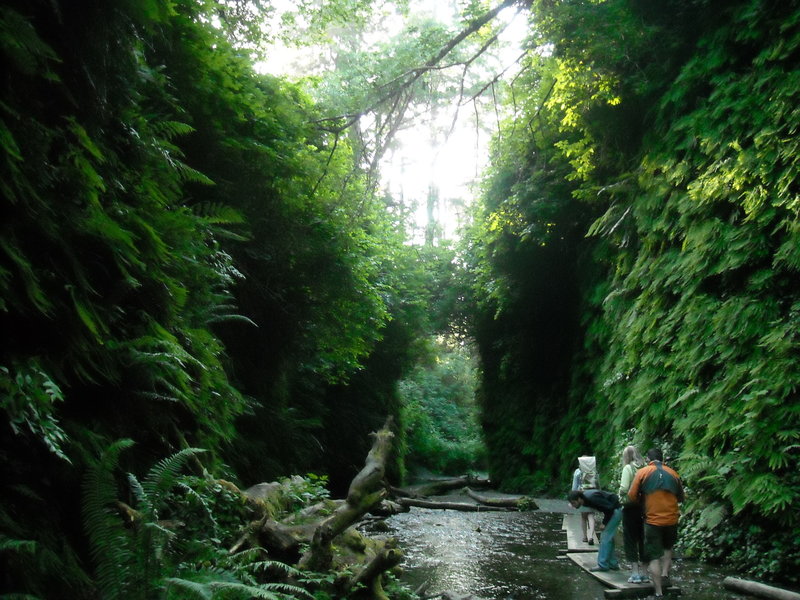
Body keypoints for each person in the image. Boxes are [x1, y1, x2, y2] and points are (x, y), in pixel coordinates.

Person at [627, 448, 685, 597]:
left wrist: (644, 499)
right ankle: (665, 574)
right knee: (667, 548)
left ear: (648, 459)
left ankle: (658, 592)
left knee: (653, 556)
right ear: (663, 459)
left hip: (652, 520)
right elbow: (680, 497)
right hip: (672, 519)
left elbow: (632, 496)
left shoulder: (643, 472)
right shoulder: (673, 473)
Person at [568, 488, 622, 572]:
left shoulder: (592, 498)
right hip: (615, 510)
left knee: (605, 537)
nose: (574, 506)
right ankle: (613, 563)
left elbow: (610, 508)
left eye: (574, 503)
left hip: (615, 511)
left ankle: (602, 565)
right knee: (609, 538)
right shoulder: (585, 498)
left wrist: (604, 523)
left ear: (579, 499)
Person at [618, 445, 647, 584]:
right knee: (643, 539)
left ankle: (635, 573)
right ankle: (646, 573)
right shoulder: (645, 467)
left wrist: (621, 496)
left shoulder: (628, 468)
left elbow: (624, 488)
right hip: (645, 508)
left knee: (630, 539)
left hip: (630, 508)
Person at [571, 455, 599, 544]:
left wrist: (573, 498)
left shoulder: (578, 472)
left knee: (583, 517)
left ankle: (584, 537)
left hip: (582, 495)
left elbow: (574, 487)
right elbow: (598, 484)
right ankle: (591, 536)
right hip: (593, 494)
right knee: (591, 516)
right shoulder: (594, 472)